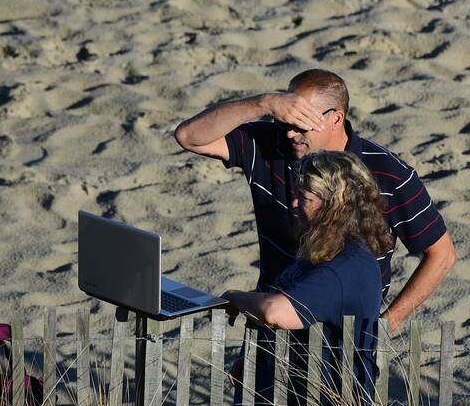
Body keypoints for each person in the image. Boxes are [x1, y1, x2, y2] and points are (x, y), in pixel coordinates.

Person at [173, 68, 455, 332]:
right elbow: (188, 137)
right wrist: (264, 104)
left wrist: (384, 327)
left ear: (336, 118)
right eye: (285, 120)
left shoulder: (388, 173)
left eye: (301, 123)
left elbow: (441, 255)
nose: (290, 133)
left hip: (341, 338)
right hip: (275, 322)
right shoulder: (271, 144)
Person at [222, 150, 391, 406]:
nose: (294, 204)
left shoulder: (347, 267)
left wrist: (236, 297)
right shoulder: (321, 253)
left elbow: (276, 312)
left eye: (304, 197)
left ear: (334, 205)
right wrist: (255, 358)